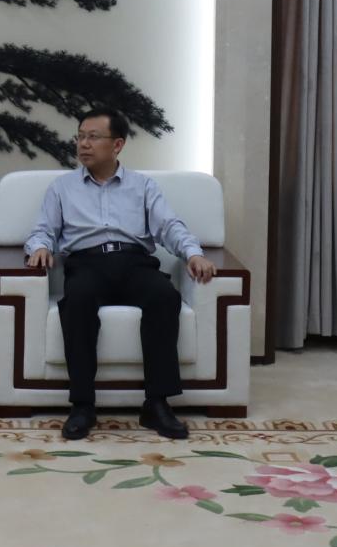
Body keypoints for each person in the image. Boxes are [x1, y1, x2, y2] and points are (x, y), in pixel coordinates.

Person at [24, 107, 218, 442]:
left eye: (93, 137)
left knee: (164, 297)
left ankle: (156, 403)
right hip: (86, 263)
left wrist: (194, 253)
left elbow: (169, 226)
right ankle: (83, 405)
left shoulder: (143, 186)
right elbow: (43, 229)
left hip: (134, 262)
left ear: (117, 145)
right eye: (80, 137)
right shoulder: (62, 188)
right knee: (78, 301)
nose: (83, 144)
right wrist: (40, 247)